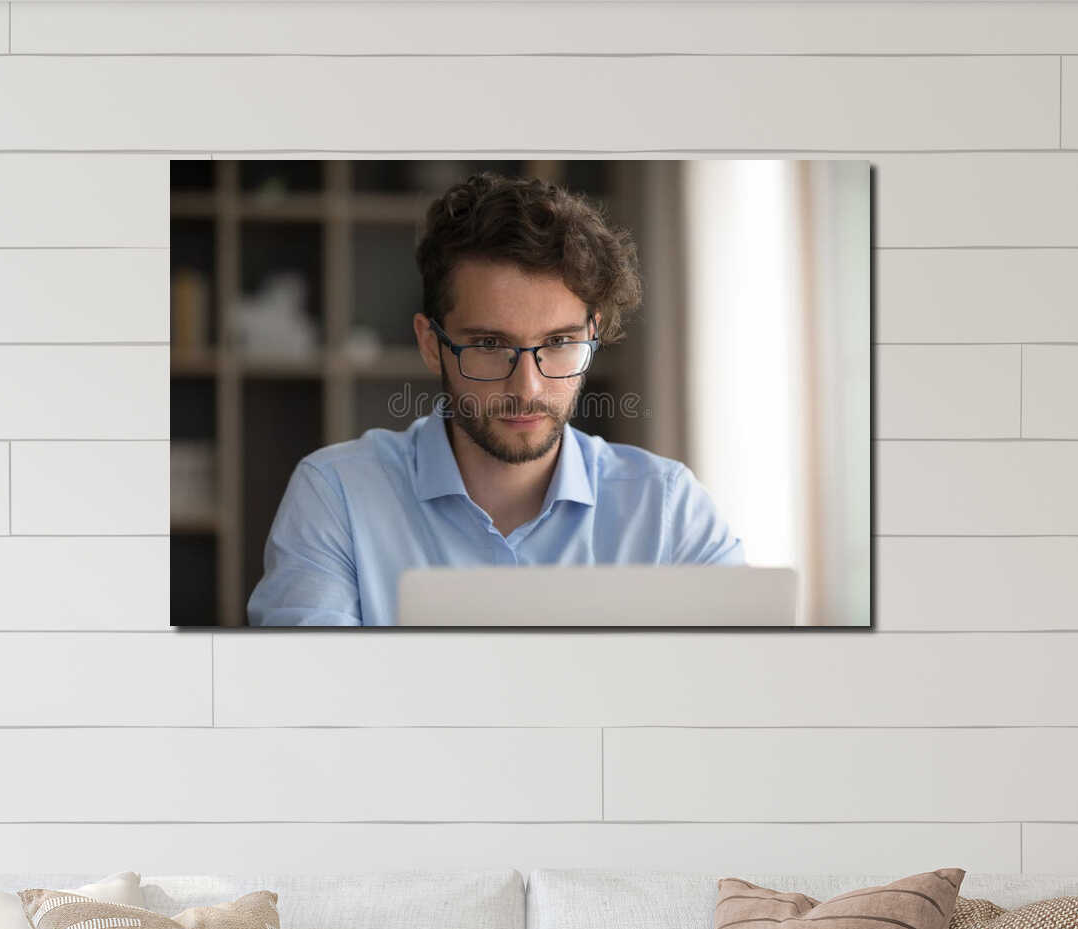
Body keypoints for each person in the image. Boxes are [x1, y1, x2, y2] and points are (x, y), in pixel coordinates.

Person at [245, 172, 743, 627]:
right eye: (488, 345)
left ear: (592, 337)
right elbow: (311, 705)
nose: (527, 388)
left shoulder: (667, 509)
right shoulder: (337, 497)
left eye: (558, 343)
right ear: (430, 344)